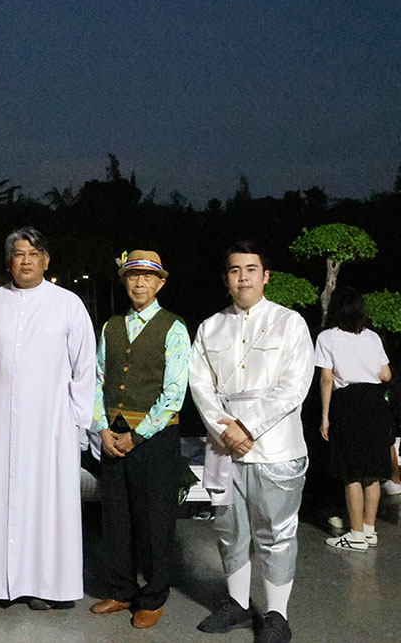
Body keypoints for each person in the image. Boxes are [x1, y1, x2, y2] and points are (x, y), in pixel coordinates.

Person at [190, 241, 314, 643]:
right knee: (229, 529)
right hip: (223, 445)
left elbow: (294, 386)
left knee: (276, 533)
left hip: (275, 447)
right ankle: (238, 604)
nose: (242, 277)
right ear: (226, 278)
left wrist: (246, 427)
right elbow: (200, 384)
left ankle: (277, 615)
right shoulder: (210, 327)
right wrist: (224, 429)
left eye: (250, 269)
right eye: (234, 270)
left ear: (265, 276)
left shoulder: (289, 322)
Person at [0, 227, 96, 610]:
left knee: (49, 504)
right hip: (0, 422)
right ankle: (1, 584)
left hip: (52, 424)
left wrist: (77, 423)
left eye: (33, 254)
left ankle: (49, 585)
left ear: (46, 260)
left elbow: (85, 368)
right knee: (4, 498)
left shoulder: (68, 304)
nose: (26, 261)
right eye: (19, 254)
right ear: (8, 261)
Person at [89, 250, 189, 629]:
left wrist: (137, 435)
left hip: (154, 439)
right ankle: (121, 589)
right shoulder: (111, 326)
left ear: (160, 283)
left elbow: (174, 392)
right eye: (133, 276)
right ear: (124, 281)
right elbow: (97, 379)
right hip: (112, 436)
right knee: (116, 517)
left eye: (148, 277)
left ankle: (154, 595)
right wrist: (101, 428)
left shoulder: (173, 327)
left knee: (155, 520)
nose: (140, 283)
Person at [316, 287, 392, 551]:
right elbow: (386, 374)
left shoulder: (327, 337)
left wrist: (325, 416)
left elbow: (326, 378)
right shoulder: (372, 337)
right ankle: (369, 530)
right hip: (375, 403)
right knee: (372, 472)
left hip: (348, 404)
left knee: (352, 472)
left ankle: (356, 534)